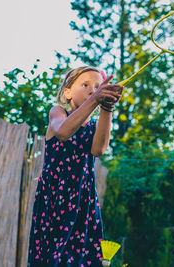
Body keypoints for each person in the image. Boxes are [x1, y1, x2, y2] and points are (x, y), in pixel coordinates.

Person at [27, 66, 123, 266]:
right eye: (86, 85)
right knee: (52, 256)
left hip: (82, 199)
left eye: (98, 86)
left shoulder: (94, 126)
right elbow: (63, 132)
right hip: (55, 198)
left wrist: (107, 108)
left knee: (82, 258)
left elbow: (99, 150)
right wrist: (95, 98)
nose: (93, 90)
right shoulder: (58, 112)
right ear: (67, 92)